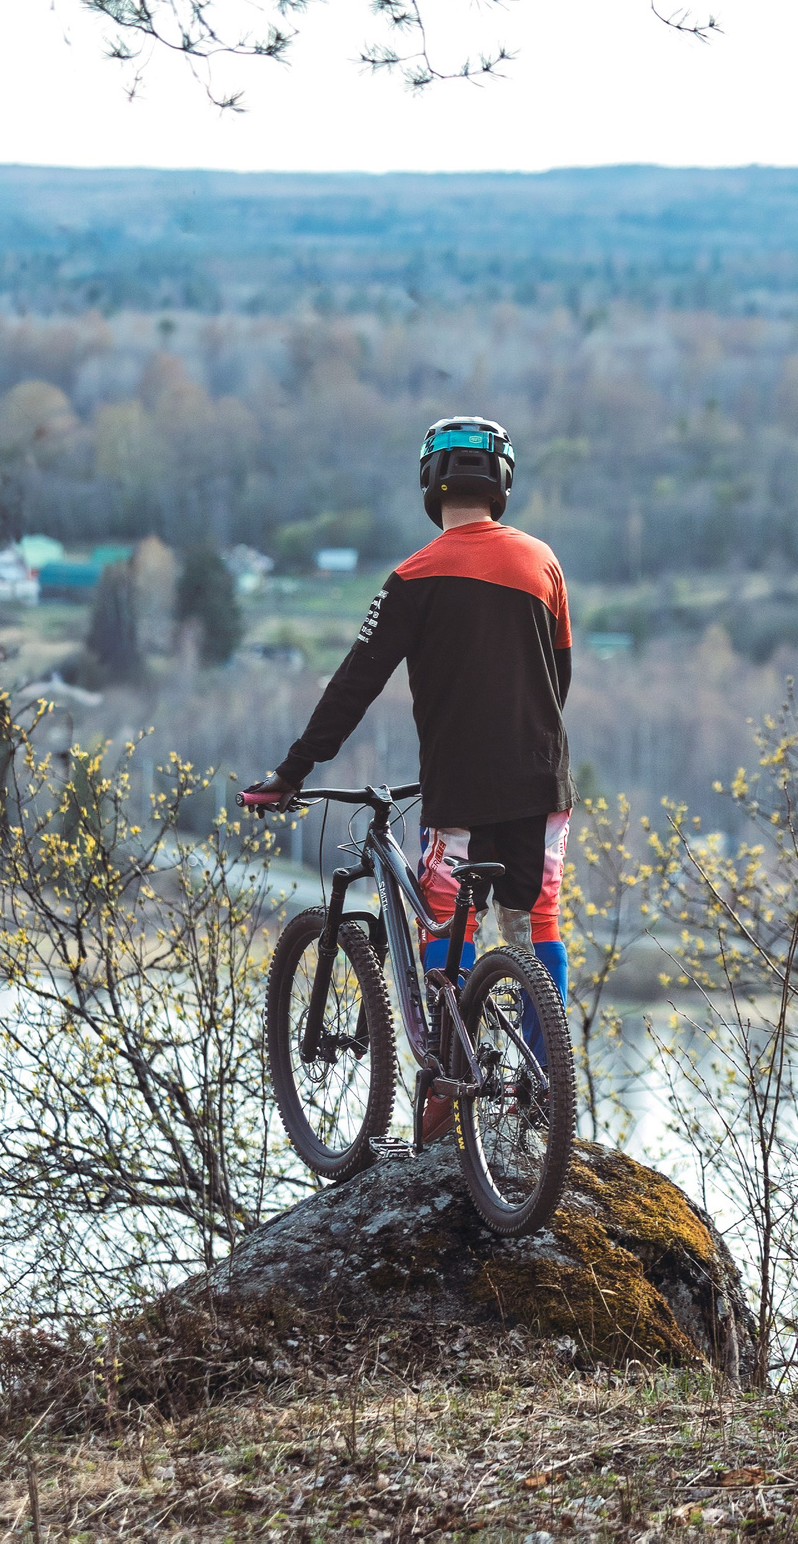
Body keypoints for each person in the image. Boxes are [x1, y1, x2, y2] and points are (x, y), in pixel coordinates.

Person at [240, 416, 573, 1140]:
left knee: (445, 914)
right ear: (503, 485)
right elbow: (560, 678)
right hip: (544, 785)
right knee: (536, 920)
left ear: (432, 484)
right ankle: (545, 1099)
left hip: (458, 790)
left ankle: (448, 1086)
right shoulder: (544, 564)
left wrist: (291, 771)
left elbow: (353, 686)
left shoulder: (415, 576)